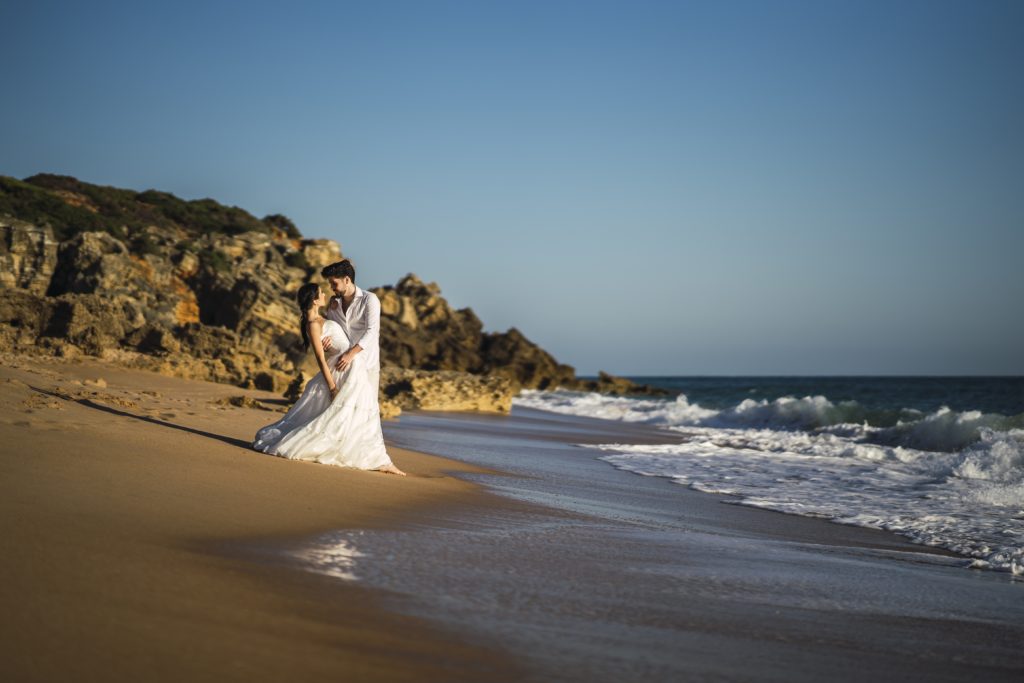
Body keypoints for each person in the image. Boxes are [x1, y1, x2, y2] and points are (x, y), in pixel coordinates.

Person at [252, 280, 406, 475]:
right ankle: (379, 460)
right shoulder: (313, 324)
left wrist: (333, 312)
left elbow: (341, 333)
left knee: (361, 414)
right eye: (321, 293)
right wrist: (332, 387)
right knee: (354, 414)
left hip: (352, 366)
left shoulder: (323, 317)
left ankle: (377, 458)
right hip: (344, 370)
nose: (325, 294)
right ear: (314, 300)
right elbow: (320, 359)